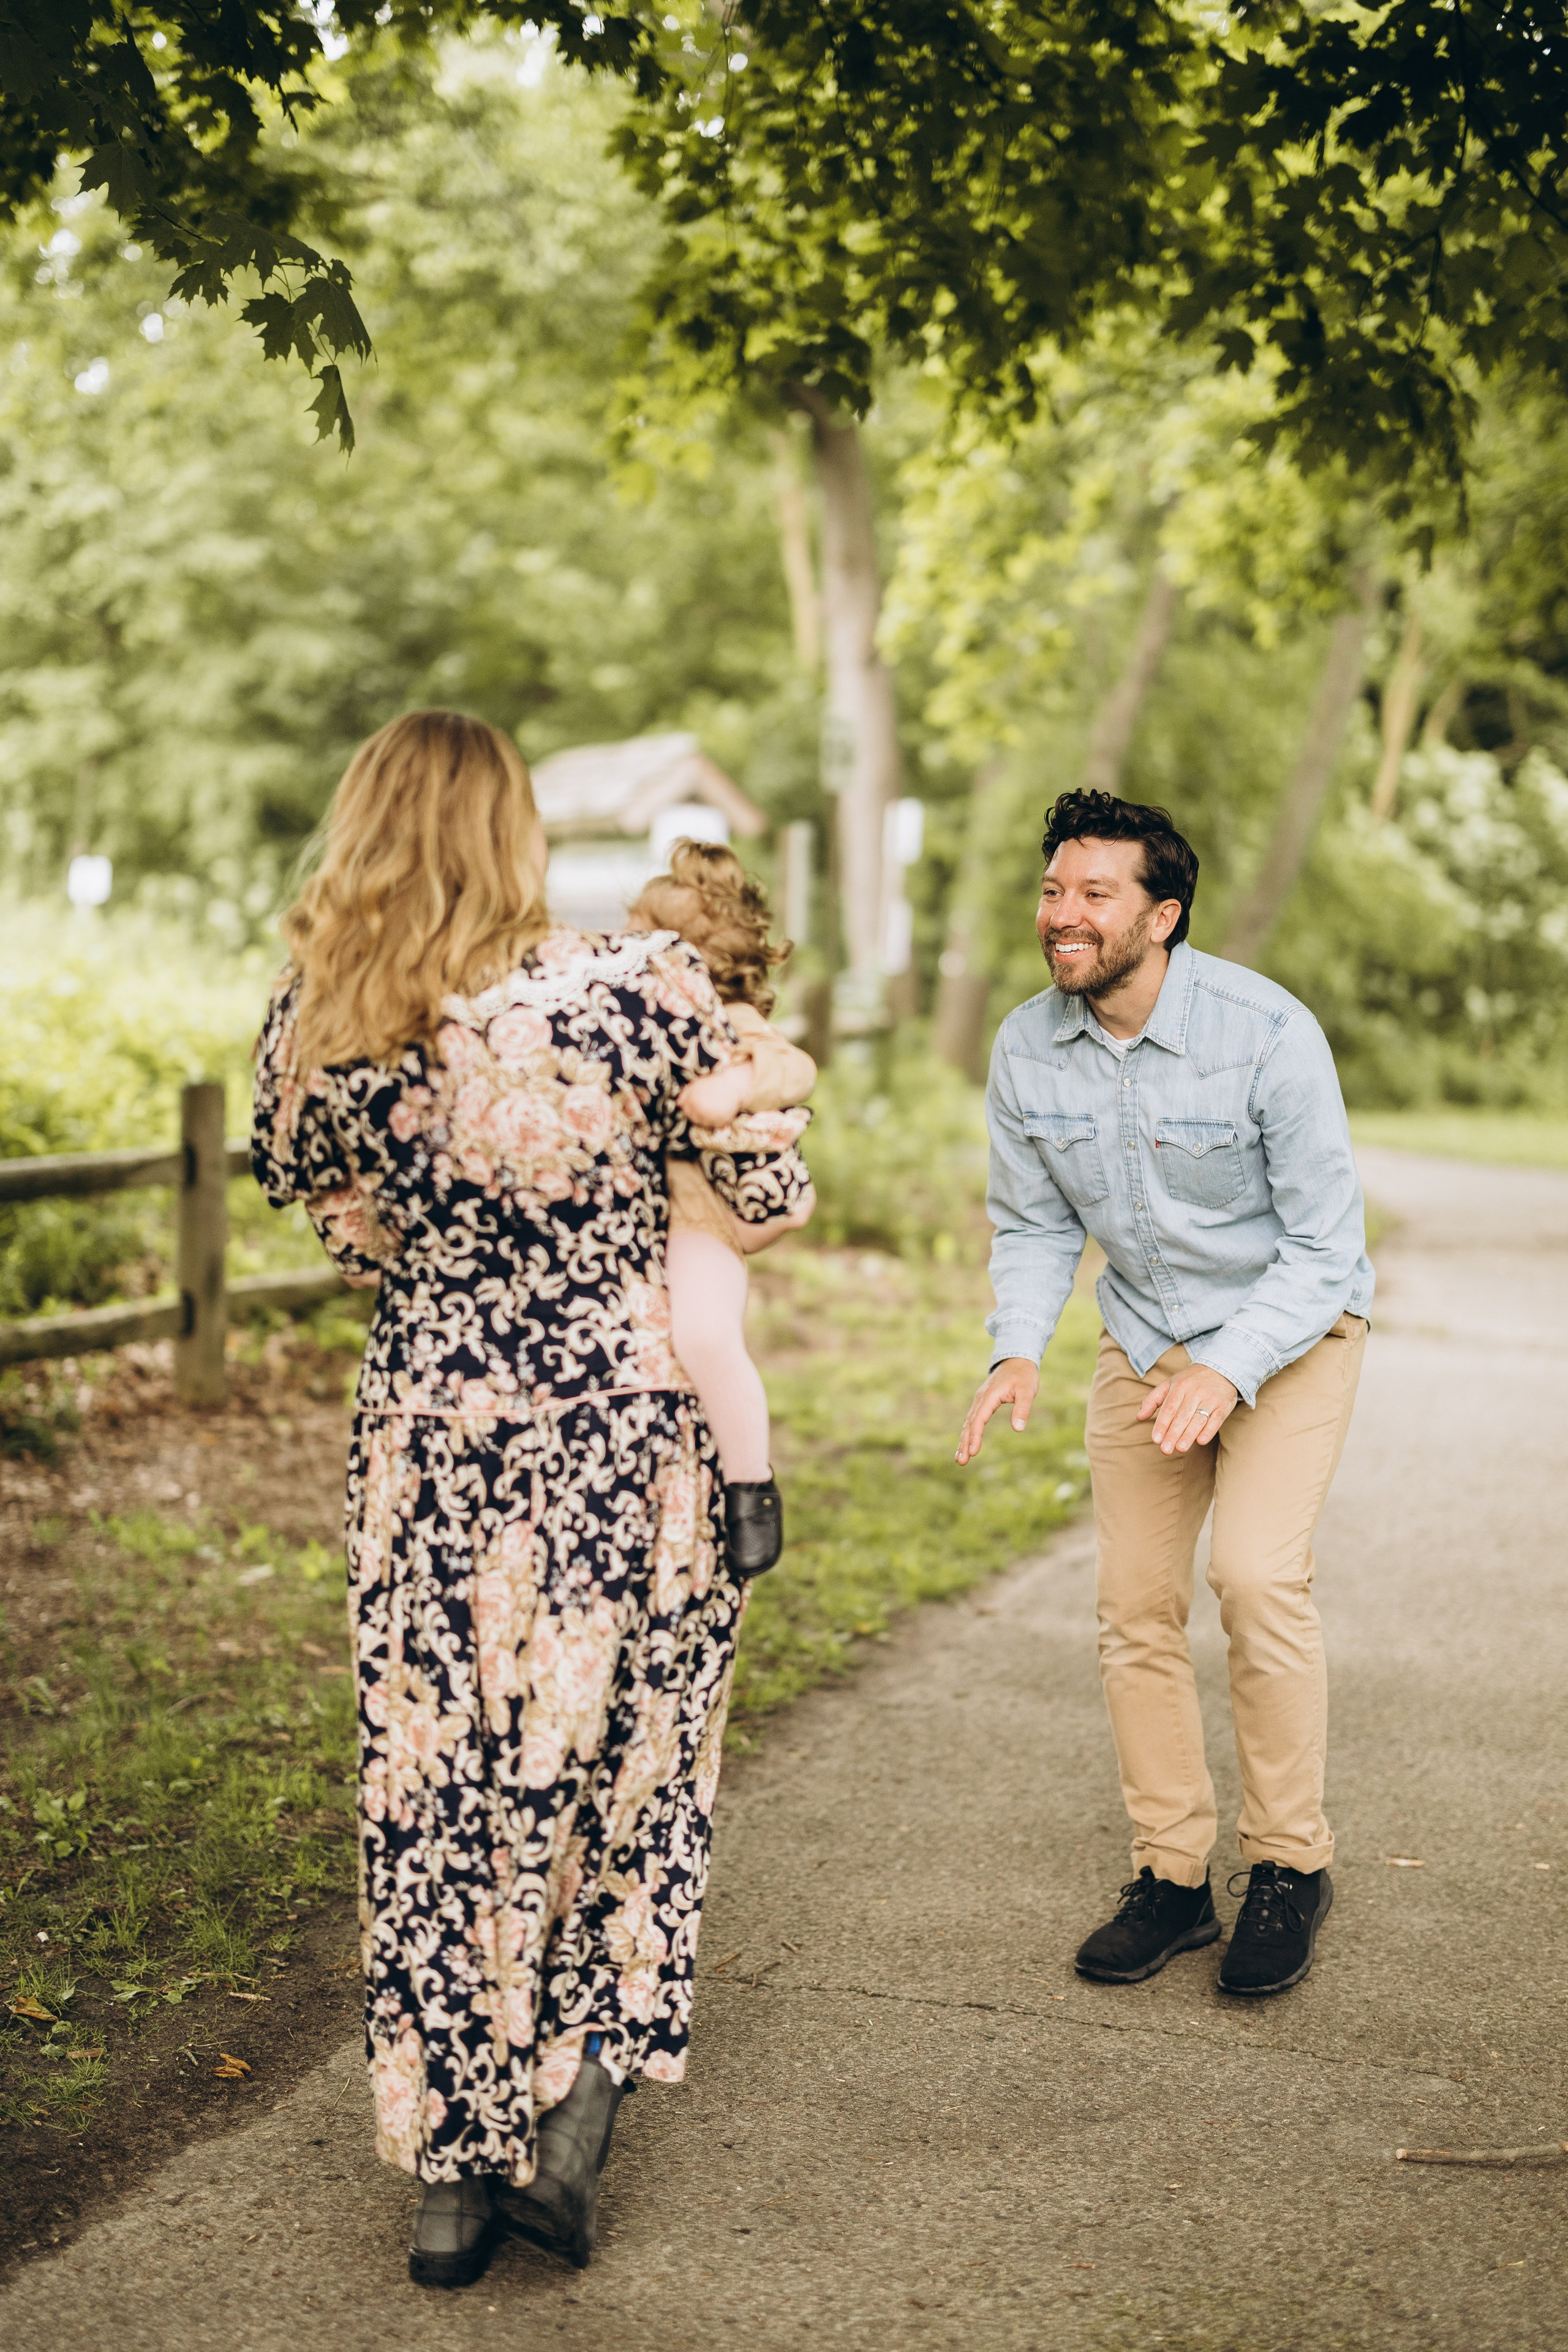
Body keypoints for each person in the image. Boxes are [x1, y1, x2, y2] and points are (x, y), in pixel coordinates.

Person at [251, 711, 814, 2290]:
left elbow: (331, 1212)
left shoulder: (318, 1015)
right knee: (624, 1781)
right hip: (624, 1450)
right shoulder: (634, 988)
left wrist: (444, 1268)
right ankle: (566, 2128)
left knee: (437, 1800)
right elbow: (758, 1187)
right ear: (512, 830)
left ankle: (448, 2175)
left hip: (429, 1445)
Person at [956, 788, 1373, 1997]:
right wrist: (1015, 1347)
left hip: (1289, 1338)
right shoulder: (1027, 1047)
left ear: (1162, 914)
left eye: (1093, 894)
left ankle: (1289, 1866)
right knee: (1133, 1606)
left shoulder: (1264, 1032)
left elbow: (1320, 1245)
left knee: (1252, 1574)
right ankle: (1173, 1880)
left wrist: (1228, 1369)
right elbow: (1030, 1222)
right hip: (1142, 1343)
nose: (1061, 915)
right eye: (1051, 890)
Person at [627, 839, 817, 1564]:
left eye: (646, 946)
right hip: (640, 1220)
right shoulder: (625, 1018)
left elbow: (791, 1066)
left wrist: (733, 1086)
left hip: (702, 1222)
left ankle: (750, 1482)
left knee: (705, 1335)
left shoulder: (728, 1023)